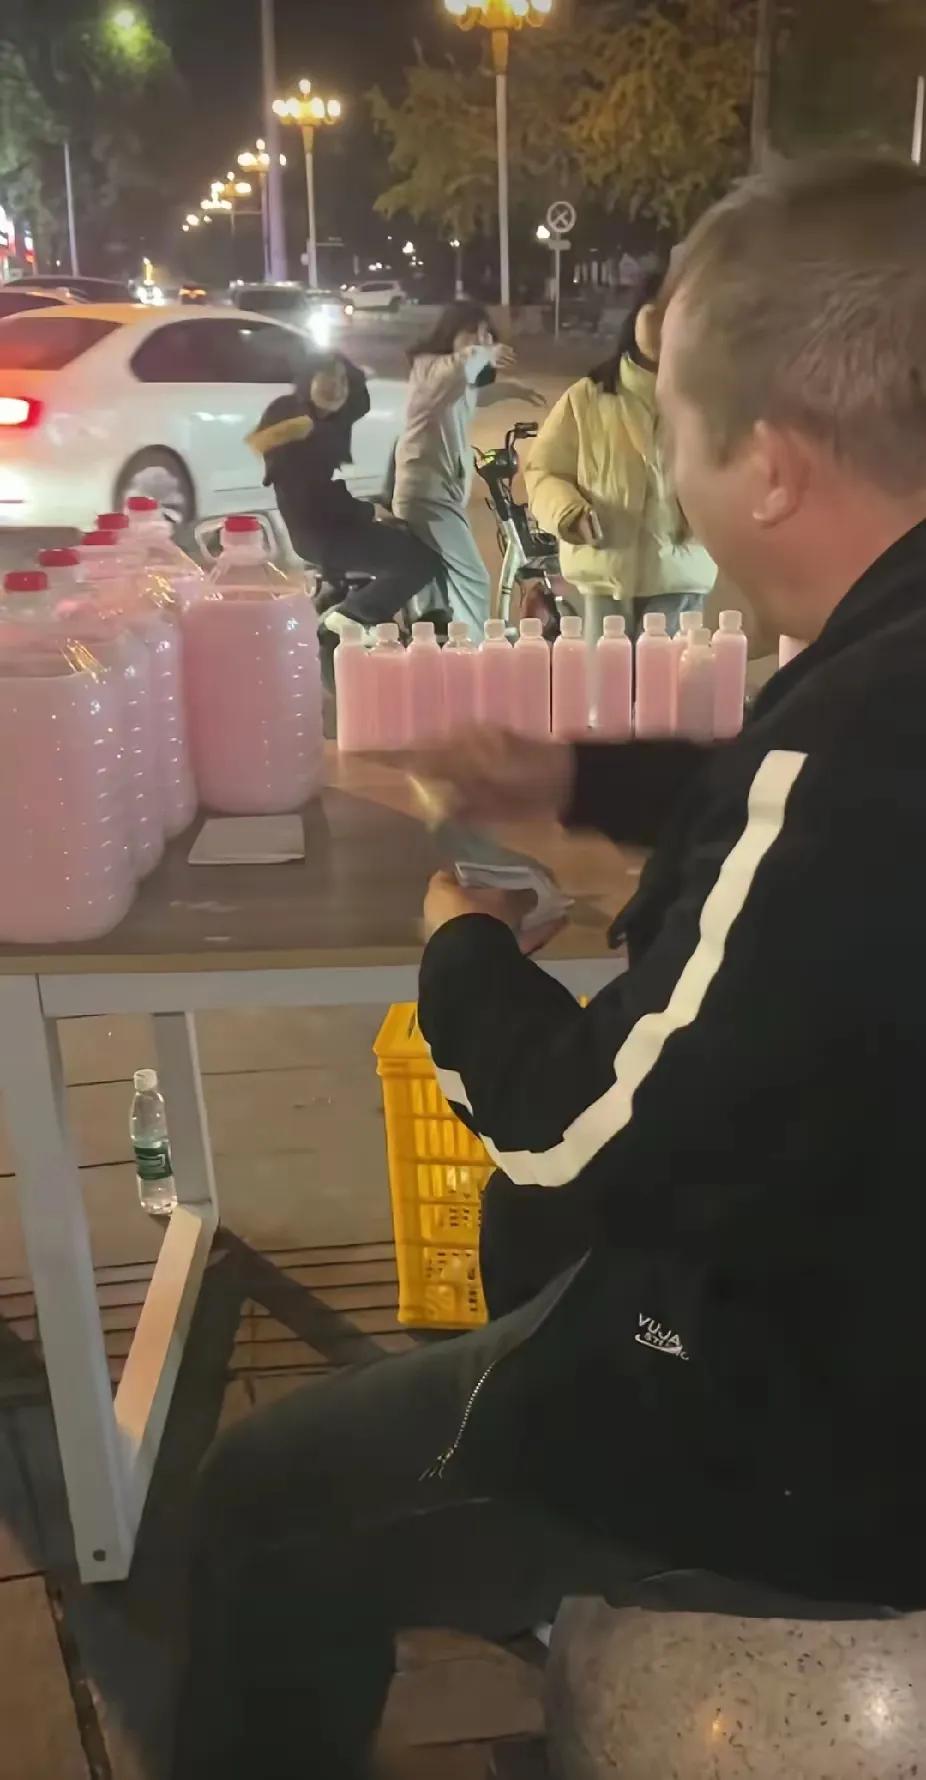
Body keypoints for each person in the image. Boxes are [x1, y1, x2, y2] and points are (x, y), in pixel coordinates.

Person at [173, 155, 926, 1780]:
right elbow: (807, 853)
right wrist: (577, 790)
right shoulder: (871, 683)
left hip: (832, 1437)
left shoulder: (864, 740)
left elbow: (584, 1130)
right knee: (525, 1282)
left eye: (678, 433)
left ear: (769, 468)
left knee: (262, 1505)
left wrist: (459, 952)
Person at [524, 270, 717, 641]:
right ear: (636, 315)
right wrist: (570, 513)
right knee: (606, 677)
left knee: (664, 677)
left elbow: (738, 477)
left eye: (679, 312)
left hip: (678, 580)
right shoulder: (587, 398)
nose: (665, 323)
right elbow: (544, 470)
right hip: (602, 579)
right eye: (656, 309)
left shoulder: (711, 403)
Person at [248, 351, 440, 635]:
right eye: (326, 377)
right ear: (308, 379)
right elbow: (313, 497)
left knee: (404, 537)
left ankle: (360, 607)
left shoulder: (323, 420)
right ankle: (354, 615)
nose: (336, 387)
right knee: (419, 561)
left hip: (326, 526)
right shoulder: (295, 423)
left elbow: (357, 405)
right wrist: (368, 511)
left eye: (342, 380)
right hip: (322, 535)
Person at [392, 300, 545, 633]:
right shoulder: (429, 367)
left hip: (438, 492)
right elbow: (457, 367)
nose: (480, 338)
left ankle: (439, 645)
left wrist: (509, 389)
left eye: (486, 333)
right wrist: (485, 352)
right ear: (449, 332)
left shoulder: (451, 382)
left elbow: (470, 394)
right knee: (473, 579)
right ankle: (474, 650)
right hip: (428, 495)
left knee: (438, 588)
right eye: (471, 331)